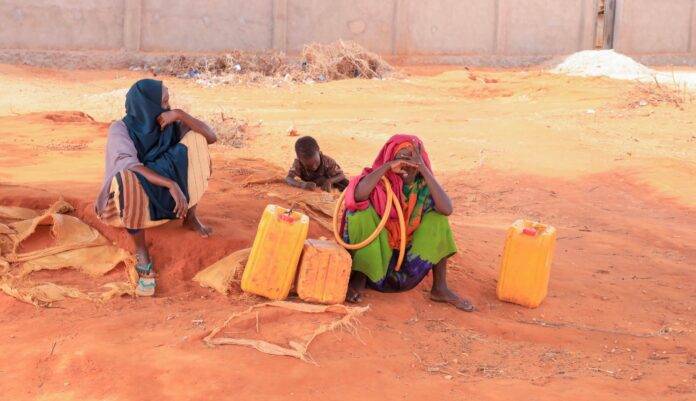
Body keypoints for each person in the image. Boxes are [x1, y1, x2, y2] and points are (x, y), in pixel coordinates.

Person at [95, 79, 217, 296]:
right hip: (132, 195)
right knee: (127, 178)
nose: (168, 107)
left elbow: (211, 137)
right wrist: (170, 184)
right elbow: (129, 164)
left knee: (196, 141)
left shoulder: (169, 122)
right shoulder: (120, 129)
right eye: (164, 102)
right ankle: (142, 252)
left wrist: (180, 114)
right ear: (147, 105)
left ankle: (190, 216)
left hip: (164, 187)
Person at [339, 134, 474, 311]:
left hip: (408, 266)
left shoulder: (423, 185)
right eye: (401, 158)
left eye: (413, 159)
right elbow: (357, 196)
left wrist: (424, 169)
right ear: (391, 157)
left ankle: (440, 288)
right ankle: (360, 278)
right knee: (358, 213)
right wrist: (387, 167)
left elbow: (447, 209)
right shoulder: (380, 180)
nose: (407, 164)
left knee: (438, 217)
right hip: (379, 258)